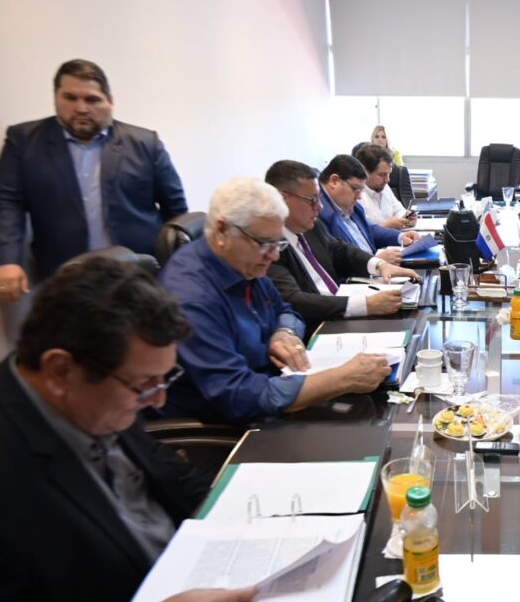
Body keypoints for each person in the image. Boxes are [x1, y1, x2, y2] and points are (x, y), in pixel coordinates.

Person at [0, 257, 255, 602]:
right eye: (146, 385)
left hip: (202, 583)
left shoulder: (100, 392)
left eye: (165, 379)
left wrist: (249, 515)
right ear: (60, 371)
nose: (159, 401)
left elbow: (167, 475)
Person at [158, 177, 390, 424]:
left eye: (278, 242)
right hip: (232, 424)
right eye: (265, 243)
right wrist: (342, 378)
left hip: (274, 386)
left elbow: (285, 309)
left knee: (374, 407)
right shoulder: (190, 299)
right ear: (223, 230)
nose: (275, 255)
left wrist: (284, 332)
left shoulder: (243, 263)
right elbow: (239, 397)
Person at [0, 59, 188, 303]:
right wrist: (6, 260)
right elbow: (6, 203)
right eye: (70, 98)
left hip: (141, 274)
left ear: (110, 102)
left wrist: (180, 266)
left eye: (92, 99)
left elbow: (175, 209)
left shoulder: (145, 143)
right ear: (56, 97)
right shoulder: (24, 142)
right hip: (67, 279)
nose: (81, 108)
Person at [264, 160, 420, 337]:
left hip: (341, 314)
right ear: (282, 198)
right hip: (318, 331)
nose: (320, 206)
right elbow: (295, 300)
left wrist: (379, 265)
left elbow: (337, 249)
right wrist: (365, 305)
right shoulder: (269, 246)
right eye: (312, 200)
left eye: (319, 198)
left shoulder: (310, 226)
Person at [318, 155, 419, 266]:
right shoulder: (319, 214)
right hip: (362, 272)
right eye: (355, 189)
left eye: (361, 190)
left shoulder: (351, 205)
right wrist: (373, 261)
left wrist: (399, 237)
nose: (359, 197)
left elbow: (369, 229)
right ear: (334, 181)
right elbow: (334, 262)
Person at [355, 144, 416, 230]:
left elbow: (399, 210)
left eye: (388, 174)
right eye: (382, 175)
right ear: (365, 172)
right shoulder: (356, 195)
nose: (387, 180)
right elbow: (359, 233)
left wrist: (407, 218)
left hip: (396, 236)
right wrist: (386, 226)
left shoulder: (384, 187)